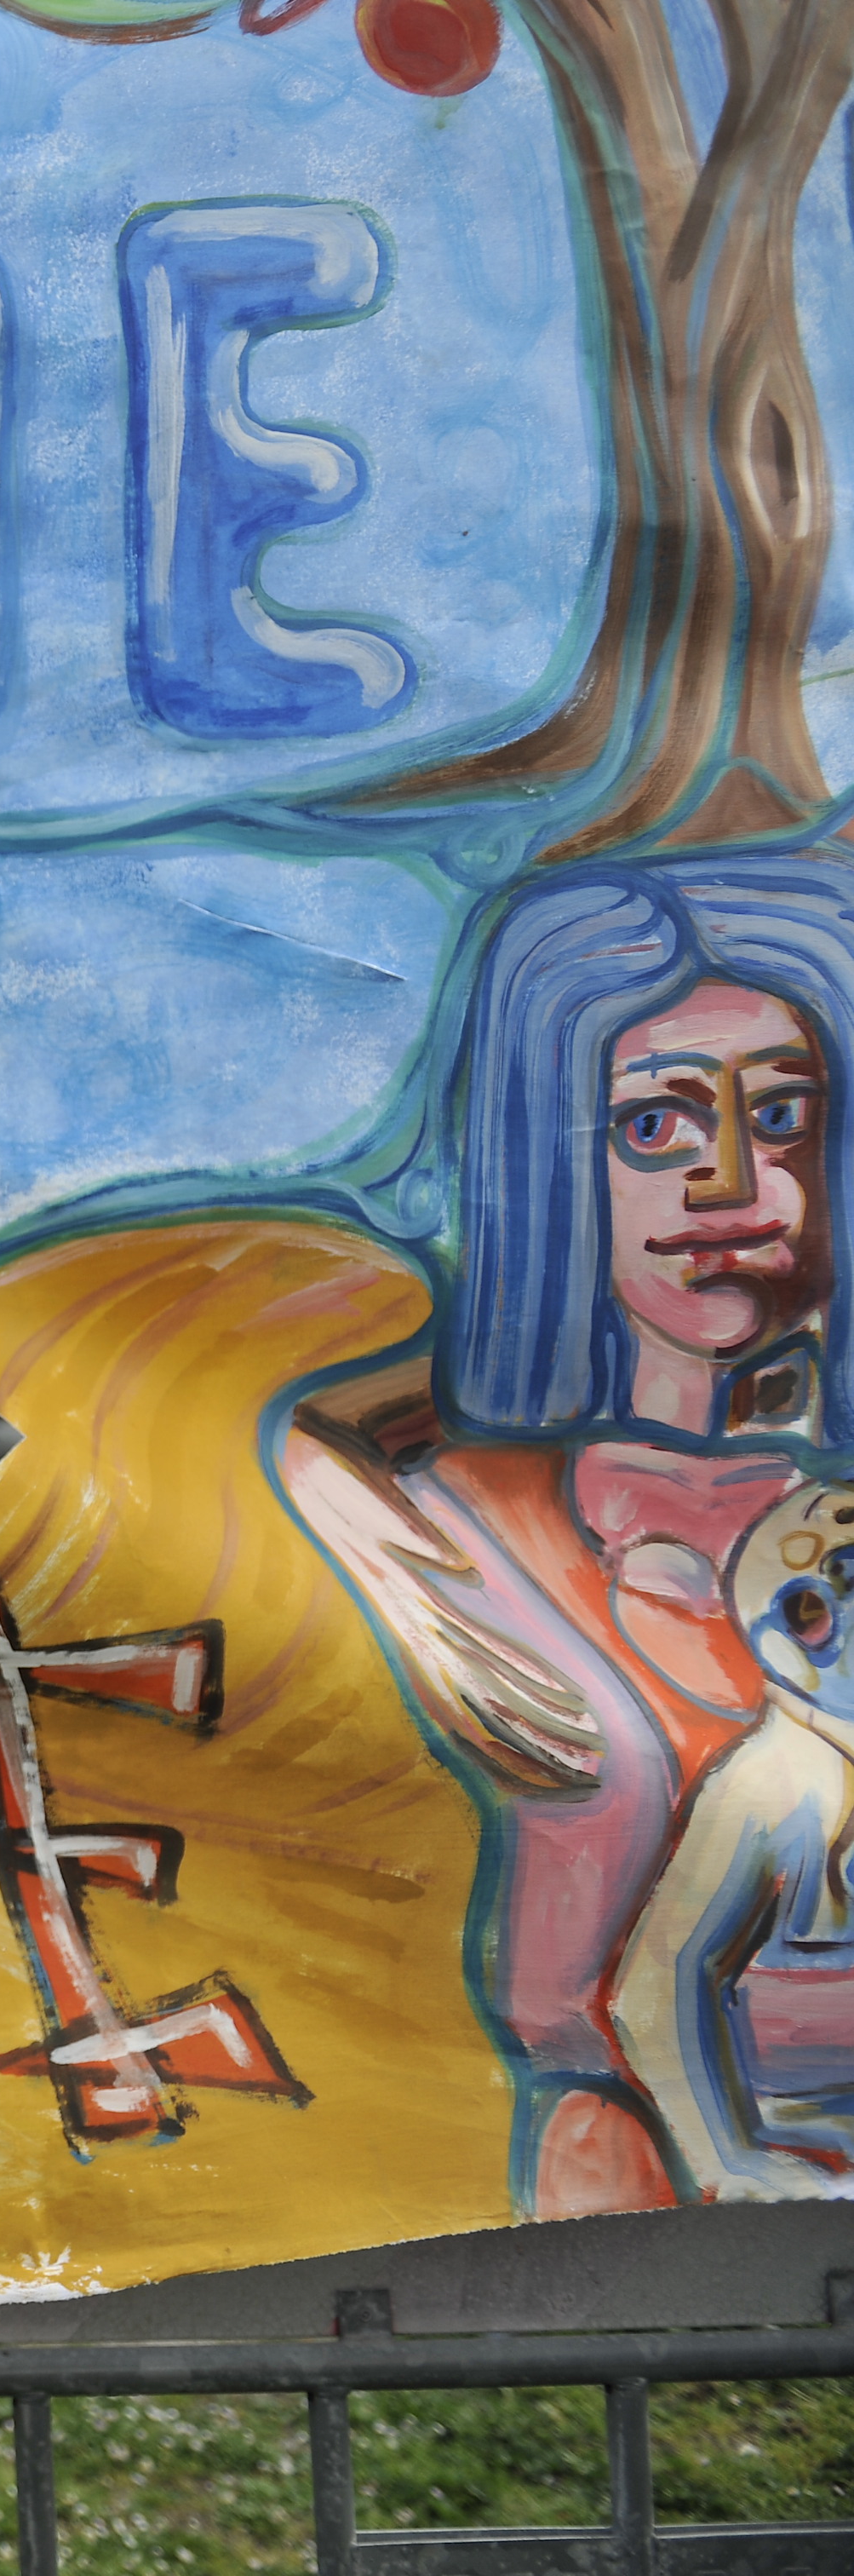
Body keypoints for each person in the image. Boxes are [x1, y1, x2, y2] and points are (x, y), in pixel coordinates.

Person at [280, 857, 854, 2214]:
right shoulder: (460, 1522)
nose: (735, 1185)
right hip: (601, 2185)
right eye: (654, 1126)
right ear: (545, 1160)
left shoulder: (817, 1510)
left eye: (782, 1115)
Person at [605, 1478, 854, 2200]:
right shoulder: (773, 1783)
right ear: (807, 1623)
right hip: (808, 2144)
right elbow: (658, 1986)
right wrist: (731, 2163)